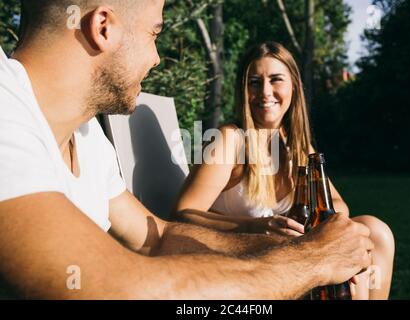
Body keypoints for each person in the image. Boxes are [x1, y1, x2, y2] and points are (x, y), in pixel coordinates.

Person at [0, 1, 374, 299]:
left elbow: (157, 237)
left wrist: (273, 246)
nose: (157, 57)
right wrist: (309, 261)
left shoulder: (87, 138)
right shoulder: (5, 107)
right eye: (154, 33)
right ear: (103, 28)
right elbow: (111, 287)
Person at [174, 42, 395, 299]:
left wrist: (315, 223)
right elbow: (181, 215)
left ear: (293, 86)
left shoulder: (295, 142)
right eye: (254, 82)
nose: (265, 92)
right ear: (243, 90)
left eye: (275, 80)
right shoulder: (229, 139)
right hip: (243, 261)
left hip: (289, 253)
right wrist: (257, 226)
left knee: (375, 232)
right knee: (350, 284)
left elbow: (337, 204)